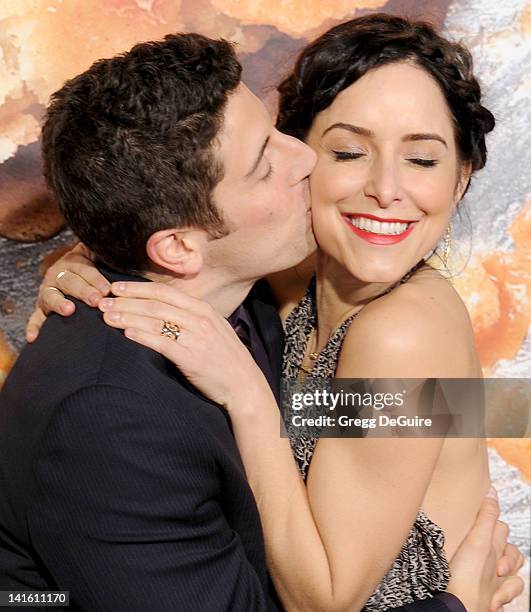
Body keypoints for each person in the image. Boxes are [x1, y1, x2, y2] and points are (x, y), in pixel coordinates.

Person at [16, 21, 524, 612]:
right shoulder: (292, 274)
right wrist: (87, 261)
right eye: (349, 152)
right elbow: (420, 412)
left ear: (461, 177)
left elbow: (325, 598)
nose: (386, 188)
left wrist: (250, 401)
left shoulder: (402, 326)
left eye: (421, 158)